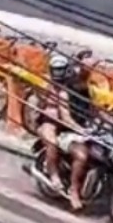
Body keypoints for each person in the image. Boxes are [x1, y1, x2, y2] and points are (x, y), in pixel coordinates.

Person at [29, 54, 94, 212]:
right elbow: (64, 116)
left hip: (67, 127)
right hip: (49, 122)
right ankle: (55, 176)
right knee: (52, 144)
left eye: (60, 70)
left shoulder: (72, 87)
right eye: (55, 70)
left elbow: (92, 109)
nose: (57, 74)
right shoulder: (48, 86)